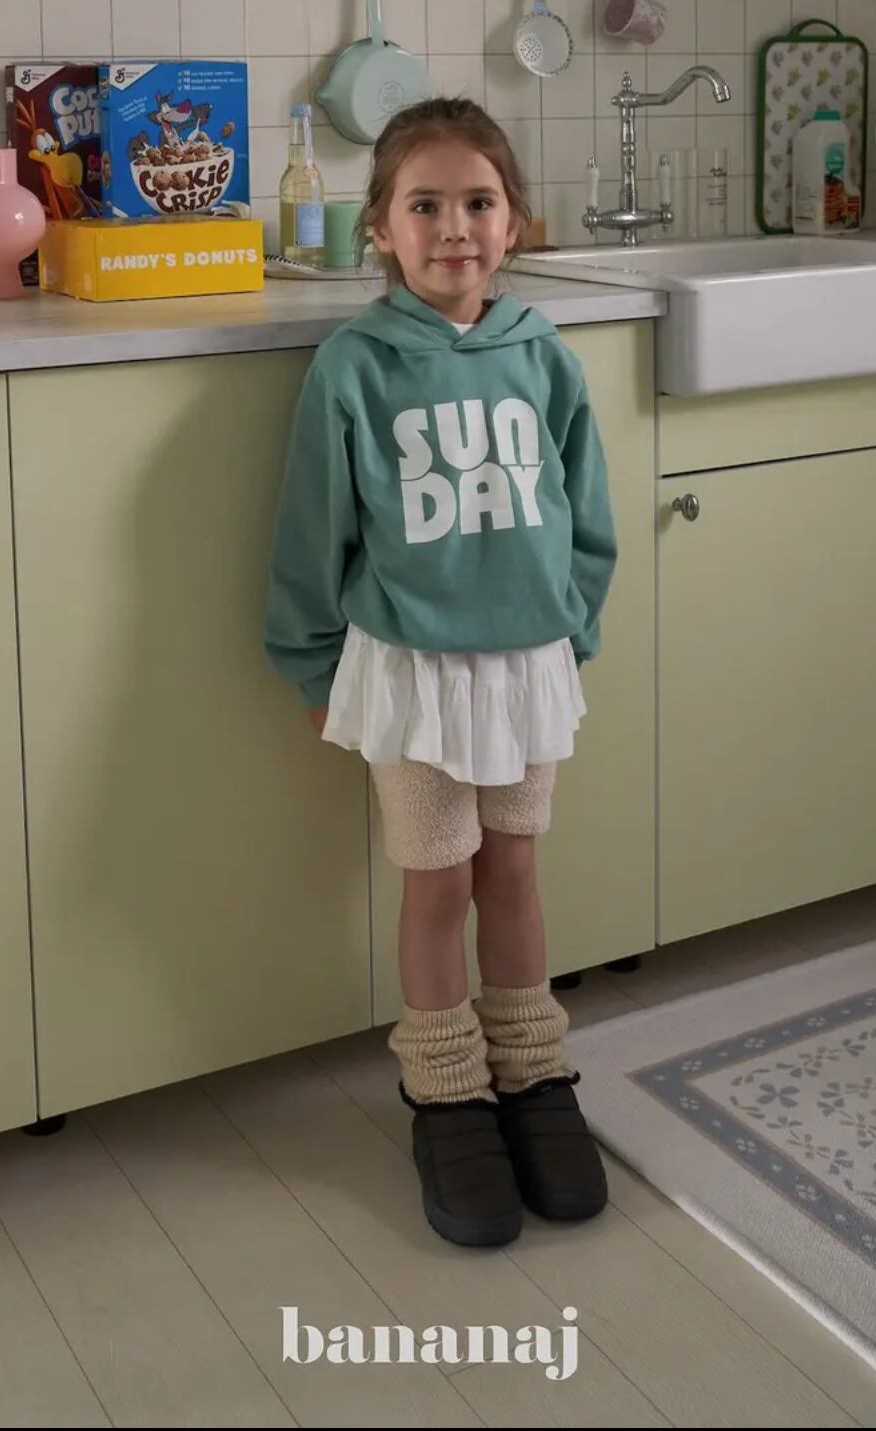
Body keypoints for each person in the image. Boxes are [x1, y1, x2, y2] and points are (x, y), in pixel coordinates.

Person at [265, 97, 617, 1248]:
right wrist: (313, 664)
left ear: (514, 223)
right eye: (426, 205)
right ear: (380, 227)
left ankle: (534, 1073)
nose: (454, 227)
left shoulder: (542, 354)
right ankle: (448, 1091)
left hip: (526, 667)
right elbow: (312, 530)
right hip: (411, 675)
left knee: (514, 872)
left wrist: (575, 628)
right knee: (437, 886)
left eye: (478, 202)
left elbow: (584, 509)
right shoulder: (355, 367)